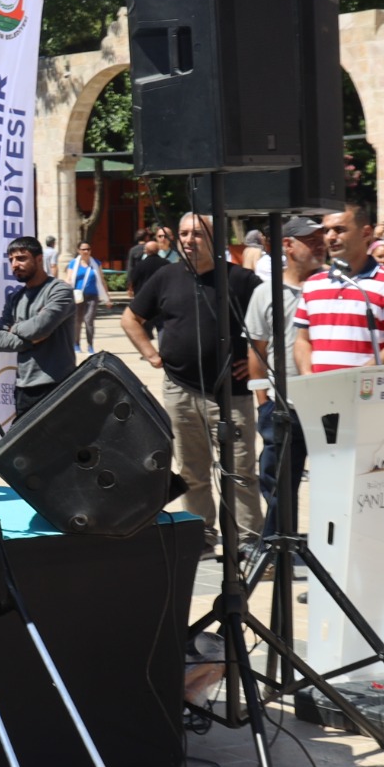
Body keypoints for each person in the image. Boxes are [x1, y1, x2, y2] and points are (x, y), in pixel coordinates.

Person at [122, 212, 260, 555]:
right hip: (180, 390)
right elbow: (130, 318)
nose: (188, 239)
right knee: (192, 470)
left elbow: (271, 326)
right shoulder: (165, 277)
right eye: (183, 233)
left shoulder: (241, 280)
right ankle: (202, 536)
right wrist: (151, 355)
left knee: (240, 471)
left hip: (231, 393)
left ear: (216, 239)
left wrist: (258, 363)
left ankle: (248, 541)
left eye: (197, 233)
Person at [247, 217, 323, 519]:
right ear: (288, 245)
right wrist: (263, 404)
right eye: (310, 239)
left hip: (330, 404)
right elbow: (256, 352)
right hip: (284, 406)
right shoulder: (266, 293)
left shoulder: (332, 286)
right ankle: (277, 553)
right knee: (278, 484)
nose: (320, 244)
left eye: (321, 237)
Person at [293, 200, 384, 375]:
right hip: (320, 394)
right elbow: (302, 340)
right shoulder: (313, 284)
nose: (330, 237)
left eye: (339, 230)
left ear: (366, 233)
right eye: (326, 231)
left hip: (367, 395)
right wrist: (308, 377)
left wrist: (357, 380)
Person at [0, 236, 75, 412]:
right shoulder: (15, 298)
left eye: (21, 258)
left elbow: (39, 328)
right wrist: (30, 340)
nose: (14, 264)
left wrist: (14, 328)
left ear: (39, 259)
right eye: (11, 260)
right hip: (23, 388)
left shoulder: (60, 290)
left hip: (56, 385)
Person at [68, 241, 107, 353]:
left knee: (89, 320)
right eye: (84, 249)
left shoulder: (96, 263)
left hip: (93, 296)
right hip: (78, 296)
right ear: (78, 250)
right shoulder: (73, 264)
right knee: (77, 321)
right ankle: (76, 344)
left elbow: (102, 280)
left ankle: (90, 345)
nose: (86, 251)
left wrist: (107, 298)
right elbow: (69, 279)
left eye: (88, 249)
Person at [125, 226, 174, 299]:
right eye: (160, 236)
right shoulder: (146, 256)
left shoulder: (178, 256)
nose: (163, 238)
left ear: (171, 237)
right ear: (156, 238)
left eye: (166, 236)